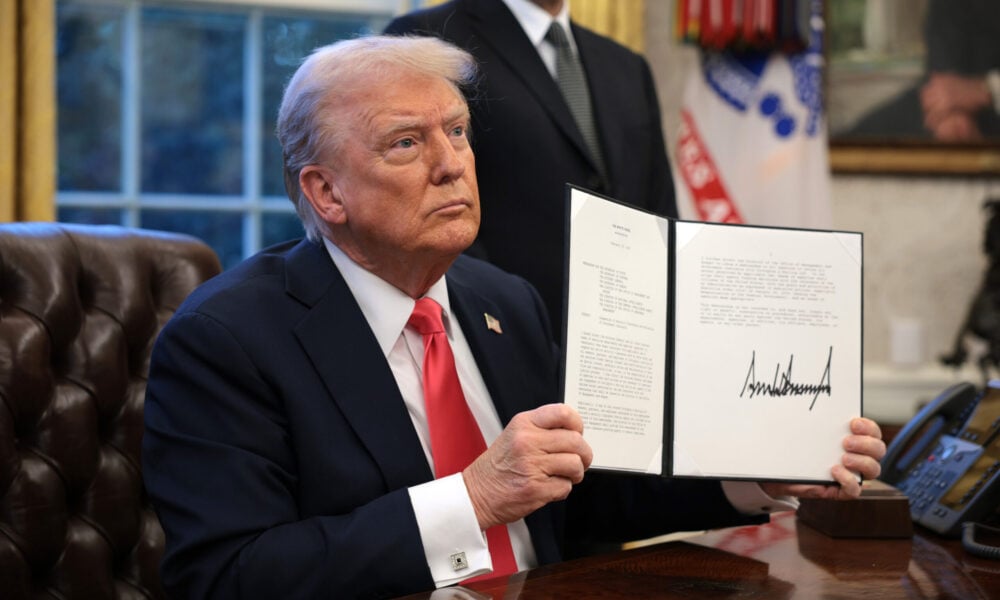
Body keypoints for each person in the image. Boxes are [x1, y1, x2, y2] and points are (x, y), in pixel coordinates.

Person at [142, 35, 886, 599]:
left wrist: (752, 475)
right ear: (326, 193)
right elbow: (226, 576)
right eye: (407, 143)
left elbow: (584, 492)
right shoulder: (228, 340)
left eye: (457, 132)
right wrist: (471, 499)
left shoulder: (504, 301)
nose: (452, 163)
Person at [384, 0, 677, 338]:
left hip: (628, 337)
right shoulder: (430, 37)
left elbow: (660, 210)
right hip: (496, 334)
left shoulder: (627, 65)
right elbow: (421, 201)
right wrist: (495, 311)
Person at [846, 0, 1000, 141]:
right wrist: (950, 112)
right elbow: (944, 42)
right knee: (848, 148)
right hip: (942, 102)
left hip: (989, 110)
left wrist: (988, 90)